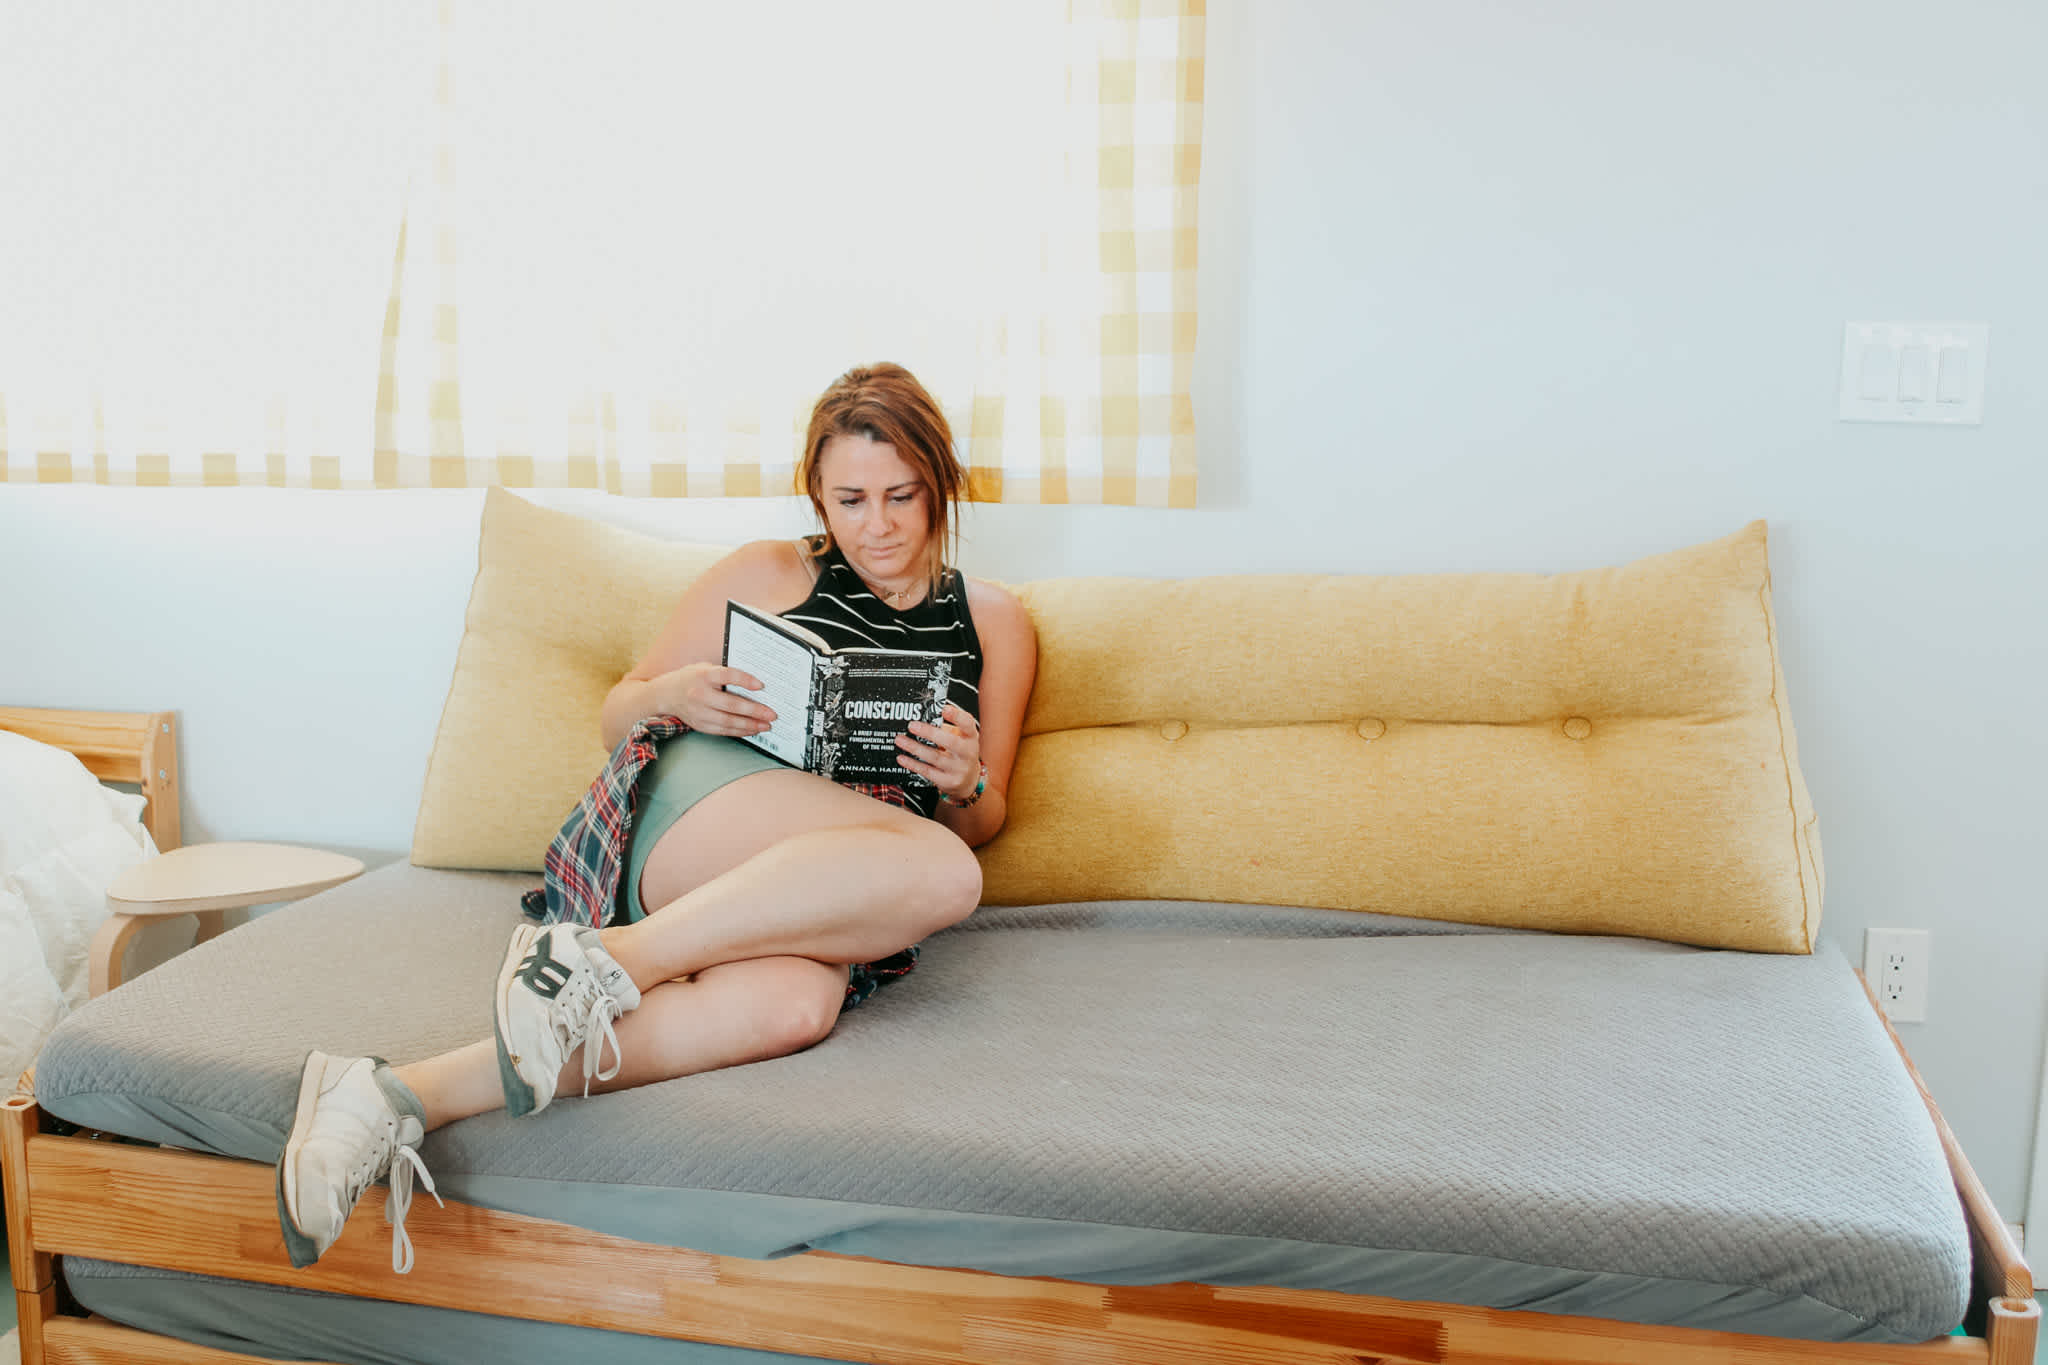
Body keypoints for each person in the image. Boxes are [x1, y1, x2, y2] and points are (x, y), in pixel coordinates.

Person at [274, 363, 1038, 1273]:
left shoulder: (996, 623)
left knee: (798, 1004)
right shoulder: (770, 571)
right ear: (818, 498)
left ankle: (389, 1096)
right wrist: (679, 693)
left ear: (941, 484)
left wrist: (966, 781)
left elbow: (984, 818)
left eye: (901, 496)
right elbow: (618, 712)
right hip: (703, 810)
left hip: (829, 885)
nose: (877, 525)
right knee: (945, 872)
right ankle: (613, 959)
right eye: (850, 500)